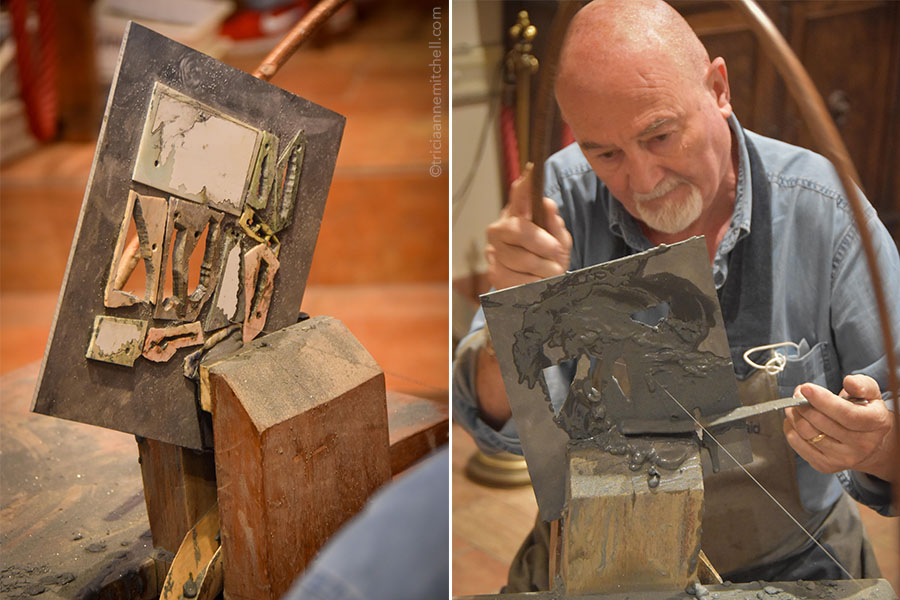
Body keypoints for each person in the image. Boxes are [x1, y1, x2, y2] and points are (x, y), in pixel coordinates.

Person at [452, 0, 899, 591]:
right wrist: (512, 316)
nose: (642, 181)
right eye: (604, 153)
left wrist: (876, 443)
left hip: (792, 558)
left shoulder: (823, 211)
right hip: (597, 554)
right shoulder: (557, 199)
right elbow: (489, 419)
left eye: (660, 135)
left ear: (719, 88)